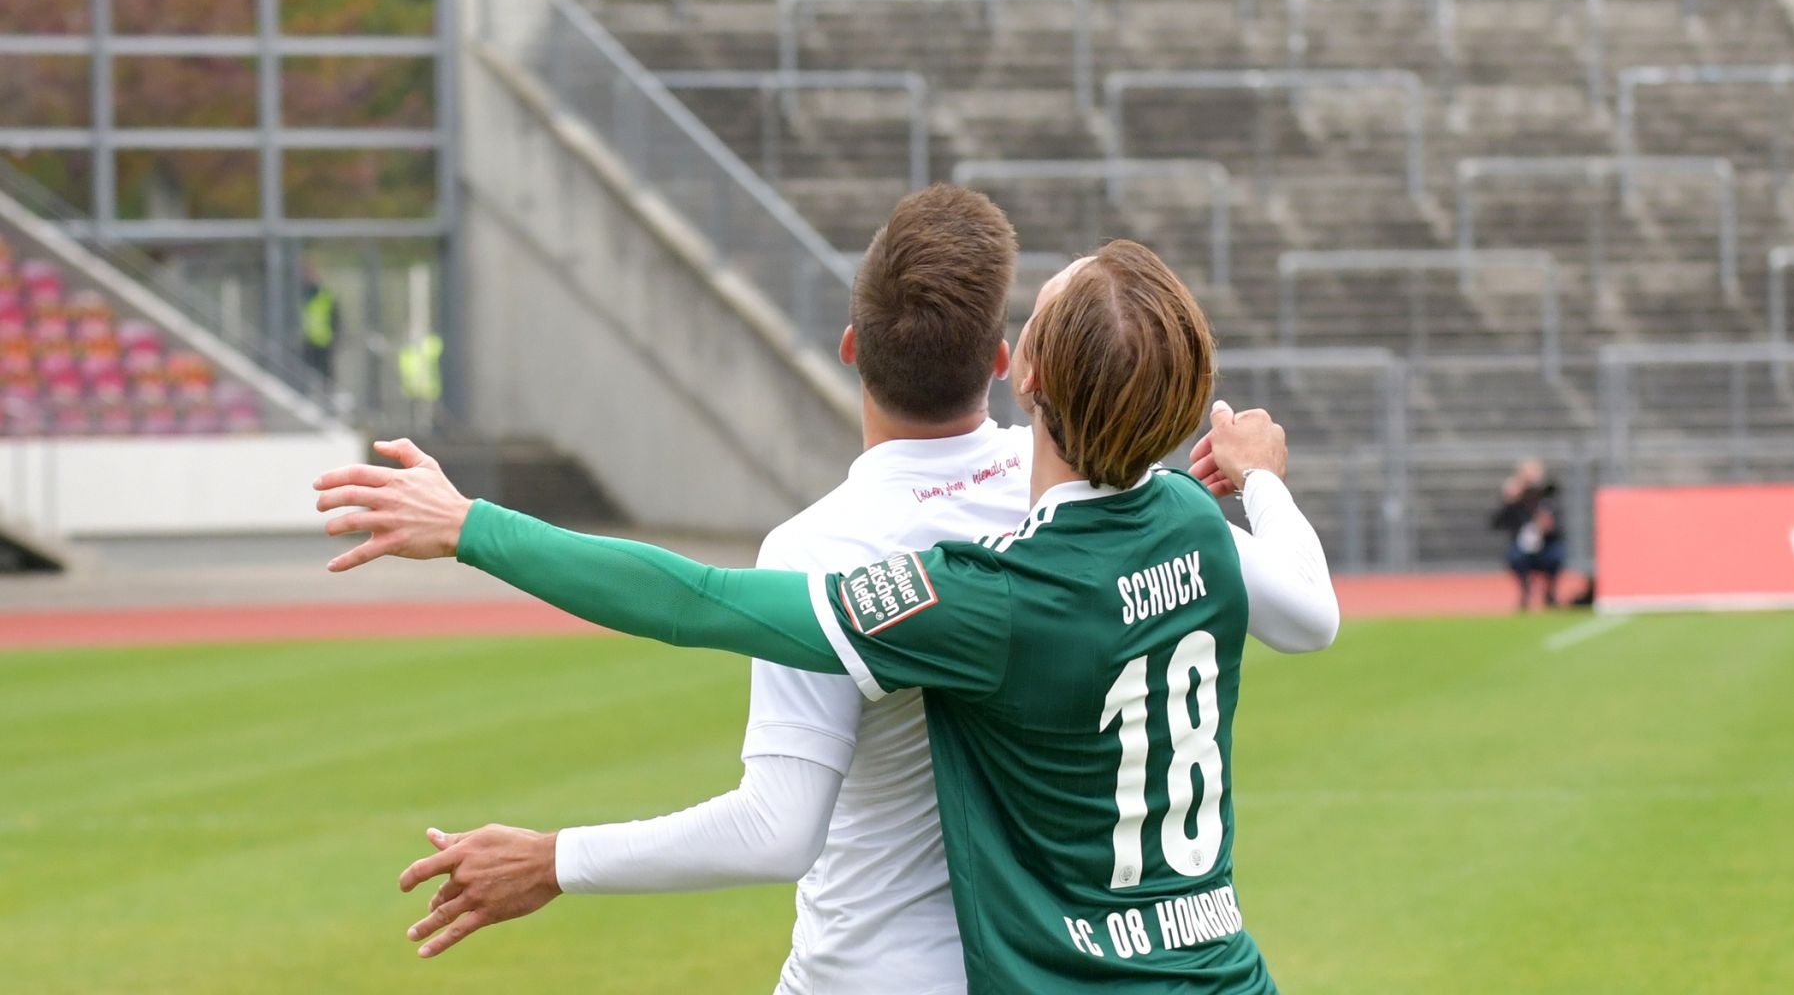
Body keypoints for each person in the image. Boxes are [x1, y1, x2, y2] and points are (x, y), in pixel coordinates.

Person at [316, 237, 1335, 993]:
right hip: (1226, 972)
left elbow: (696, 601)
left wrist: (470, 527)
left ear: (1024, 372)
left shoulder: (992, 596)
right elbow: (1311, 612)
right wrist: (1261, 483)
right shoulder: (1194, 524)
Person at [1490, 458, 1564, 611]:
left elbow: (1558, 528)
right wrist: (1509, 501)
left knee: (1557, 555)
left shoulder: (1548, 499)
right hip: (1523, 549)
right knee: (1515, 556)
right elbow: (1496, 523)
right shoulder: (1515, 503)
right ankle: (1525, 592)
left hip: (1546, 546)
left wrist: (1548, 526)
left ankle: (1550, 593)